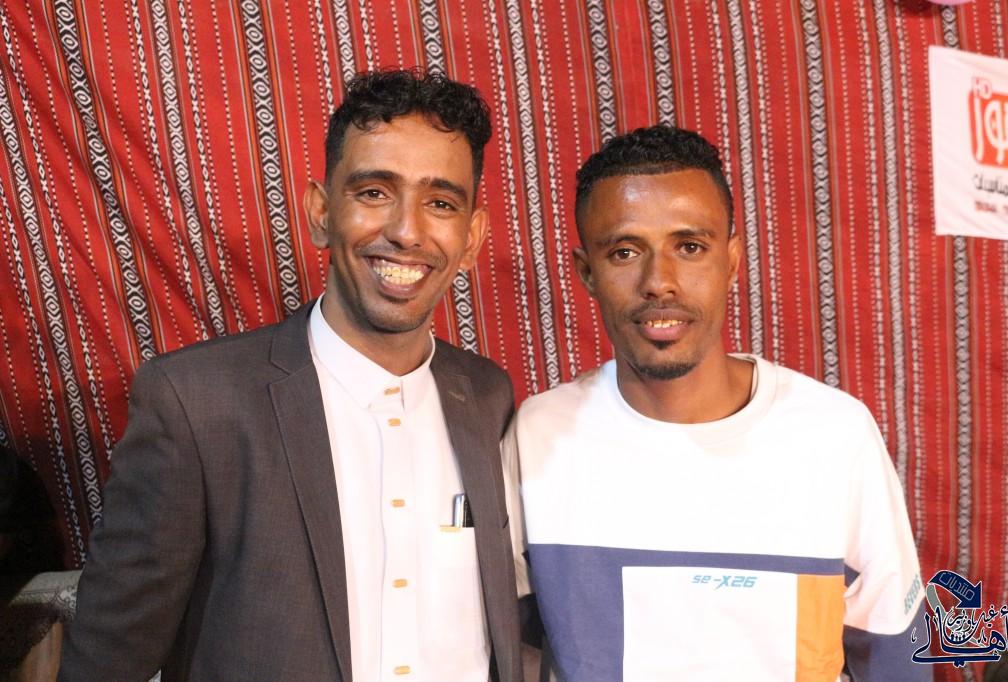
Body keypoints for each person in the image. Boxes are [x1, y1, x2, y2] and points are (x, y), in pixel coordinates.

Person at [61, 68, 524, 681]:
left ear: (472, 238)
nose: (406, 231)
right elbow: (106, 660)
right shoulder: (195, 404)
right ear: (321, 213)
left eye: (440, 203)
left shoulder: (488, 397)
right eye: (374, 192)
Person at [503, 125, 928, 681]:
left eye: (690, 247)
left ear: (731, 261)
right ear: (587, 273)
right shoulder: (539, 434)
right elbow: (502, 646)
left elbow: (895, 656)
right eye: (625, 252)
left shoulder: (834, 435)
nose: (660, 282)